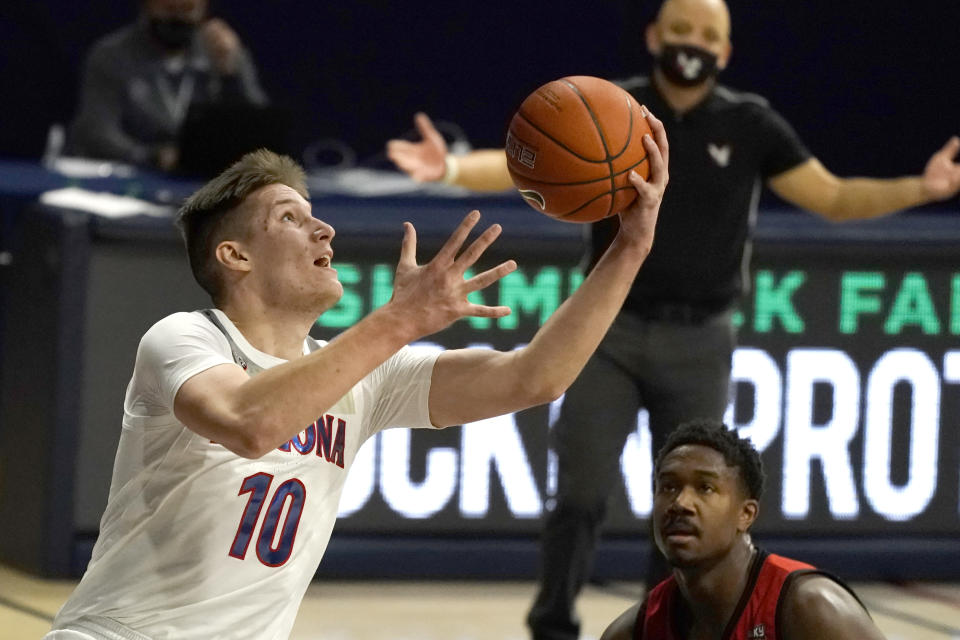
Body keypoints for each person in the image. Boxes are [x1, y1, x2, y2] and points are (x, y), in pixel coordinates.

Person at [385, 1, 960, 638]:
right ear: (655, 36)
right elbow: (537, 161)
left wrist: (922, 189)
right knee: (578, 495)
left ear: (727, 51)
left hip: (701, 337)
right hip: (608, 332)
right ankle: (552, 625)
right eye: (682, 29)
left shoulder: (750, 123)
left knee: (687, 506)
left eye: (709, 34)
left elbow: (833, 196)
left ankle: (674, 626)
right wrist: (452, 170)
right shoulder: (618, 110)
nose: (694, 43)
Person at [45, 125, 667, 639]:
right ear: (235, 256)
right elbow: (250, 424)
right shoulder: (185, 337)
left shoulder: (368, 377)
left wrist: (631, 246)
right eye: (291, 219)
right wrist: (401, 319)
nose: (326, 231)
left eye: (317, 218)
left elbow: (536, 377)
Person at [600, 419, 887, 640]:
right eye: (669, 487)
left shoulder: (810, 606)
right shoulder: (635, 630)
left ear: (745, 514)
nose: (681, 502)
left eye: (705, 488)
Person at [67, 0, 268, 171]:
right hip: (137, 176)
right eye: (169, 8)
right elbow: (98, 132)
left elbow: (261, 134)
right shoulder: (111, 56)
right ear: (147, 6)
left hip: (206, 184)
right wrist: (153, 157)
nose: (178, 18)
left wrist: (230, 77)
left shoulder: (222, 52)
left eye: (187, 9)